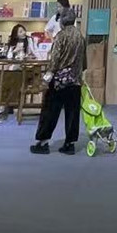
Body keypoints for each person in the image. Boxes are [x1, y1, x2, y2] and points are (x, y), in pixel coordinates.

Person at [31, 9, 84, 155]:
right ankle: (70, 144)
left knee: (50, 111)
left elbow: (54, 60)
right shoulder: (80, 37)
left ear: (61, 21)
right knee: (72, 113)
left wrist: (48, 76)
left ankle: (43, 142)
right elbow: (83, 61)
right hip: (75, 80)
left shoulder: (60, 36)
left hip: (59, 81)